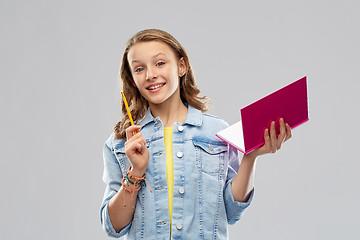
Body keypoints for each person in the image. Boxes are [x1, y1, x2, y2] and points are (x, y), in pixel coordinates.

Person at [100, 29, 292, 239]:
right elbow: (114, 227)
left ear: (181, 66)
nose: (150, 75)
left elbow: (232, 211)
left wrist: (251, 156)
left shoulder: (217, 132)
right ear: (132, 79)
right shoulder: (120, 144)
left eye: (160, 63)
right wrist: (136, 172)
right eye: (139, 69)